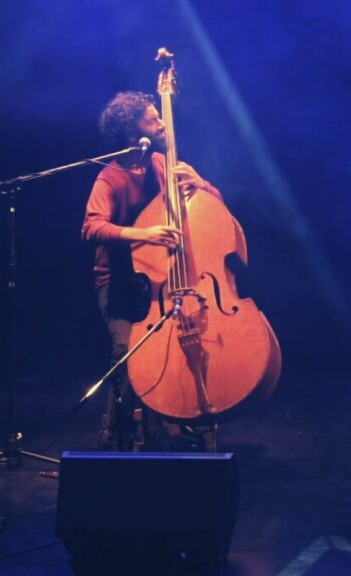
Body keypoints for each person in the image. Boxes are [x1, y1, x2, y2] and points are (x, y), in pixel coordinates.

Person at [81, 91, 221, 450]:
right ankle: (117, 437)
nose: (162, 123)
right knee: (127, 353)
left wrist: (202, 185)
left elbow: (216, 210)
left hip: (163, 280)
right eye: (152, 118)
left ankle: (176, 422)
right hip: (119, 283)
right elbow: (91, 228)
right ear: (133, 133)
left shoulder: (162, 164)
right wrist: (144, 234)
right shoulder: (110, 177)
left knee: (176, 346)